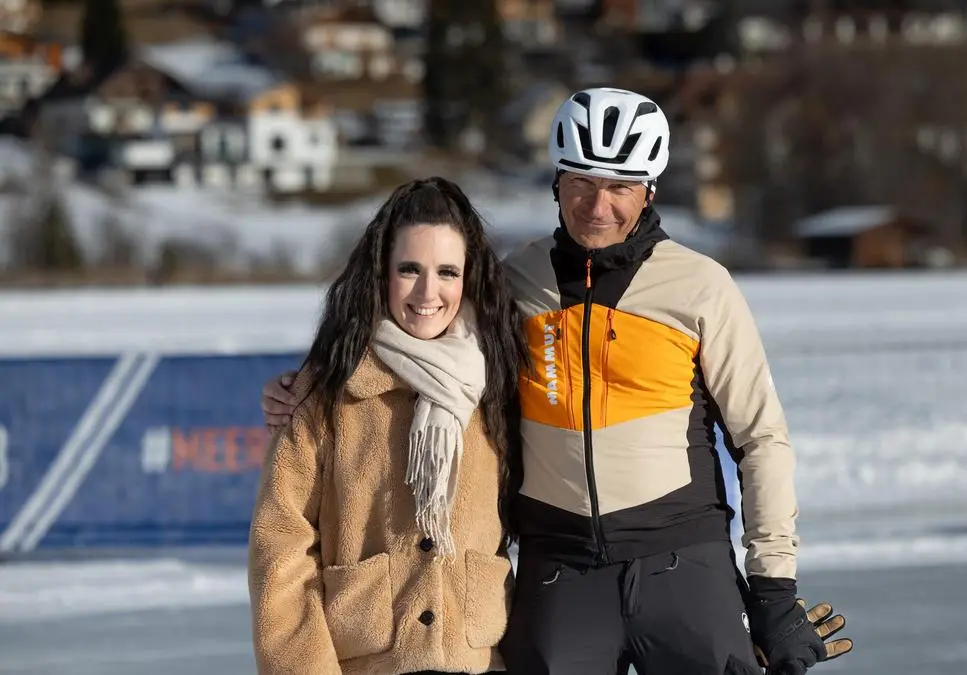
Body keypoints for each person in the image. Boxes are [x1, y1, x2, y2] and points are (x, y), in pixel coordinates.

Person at [262, 88, 852, 674]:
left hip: (681, 560)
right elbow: (418, 337)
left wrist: (773, 591)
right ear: (556, 183)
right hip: (561, 573)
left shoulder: (701, 287)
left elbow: (760, 439)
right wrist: (307, 385)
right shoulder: (511, 285)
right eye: (581, 183)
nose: (598, 206)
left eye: (620, 187)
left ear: (649, 191)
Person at [248, 177, 527, 675]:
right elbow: (281, 549)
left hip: (477, 661)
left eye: (447, 272)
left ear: (468, 279)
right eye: (409, 269)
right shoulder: (327, 390)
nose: (428, 292)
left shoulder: (500, 381)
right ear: (381, 273)